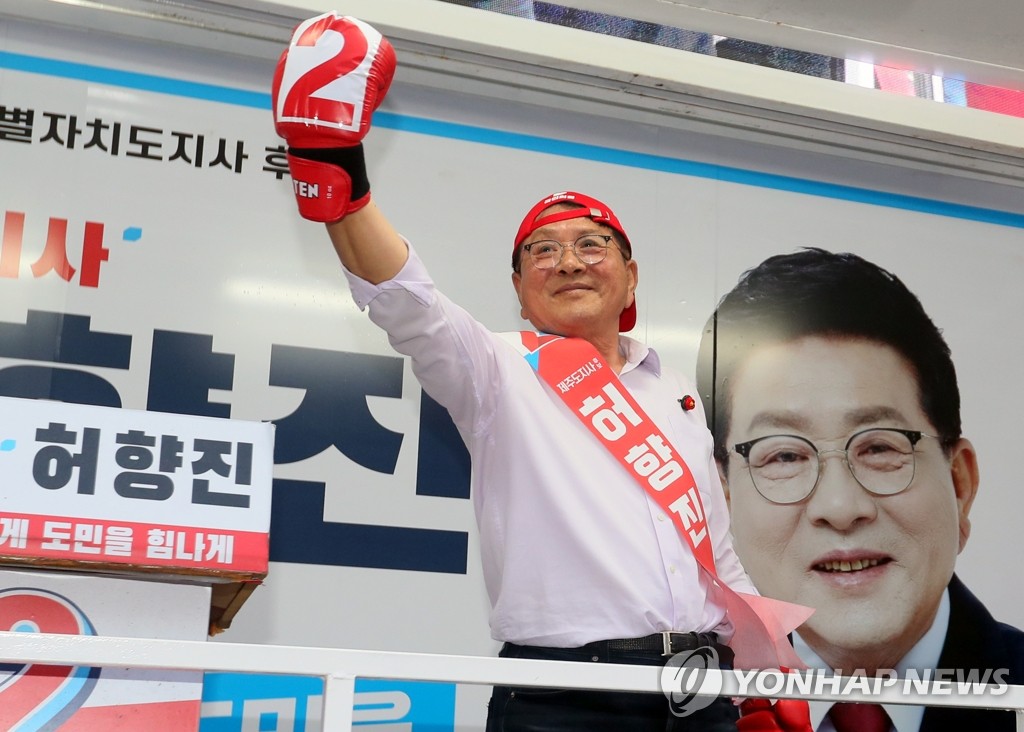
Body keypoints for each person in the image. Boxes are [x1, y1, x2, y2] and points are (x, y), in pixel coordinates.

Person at [271, 12, 806, 731]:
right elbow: (407, 301)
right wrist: (337, 166)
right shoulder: (495, 369)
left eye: (592, 244)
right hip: (563, 696)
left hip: (703, 691)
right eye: (542, 252)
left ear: (629, 276)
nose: (570, 261)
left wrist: (768, 678)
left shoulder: (674, 389)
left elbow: (716, 554)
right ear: (521, 289)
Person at [696, 248, 1024, 730]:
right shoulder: (667, 702)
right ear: (721, 501)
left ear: (959, 484)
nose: (840, 507)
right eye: (784, 455)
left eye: (878, 448)